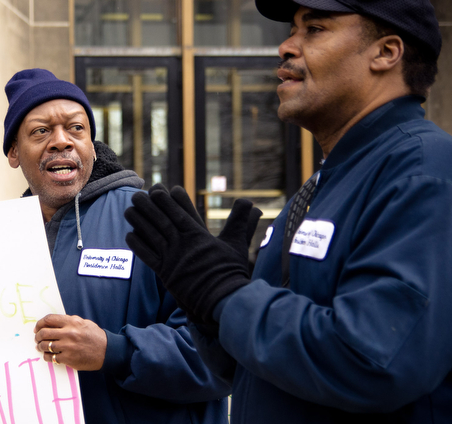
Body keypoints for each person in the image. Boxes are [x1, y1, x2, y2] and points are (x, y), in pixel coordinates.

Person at [124, 0, 452, 423]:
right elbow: (251, 368)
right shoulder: (327, 180)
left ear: (386, 52)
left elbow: (375, 361)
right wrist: (208, 310)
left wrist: (227, 295)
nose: (285, 46)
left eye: (314, 29)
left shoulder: (424, 171)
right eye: (293, 29)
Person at [0, 68, 231, 423]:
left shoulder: (155, 218)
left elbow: (217, 353)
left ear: (91, 145)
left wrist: (112, 350)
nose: (61, 140)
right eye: (41, 131)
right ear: (13, 152)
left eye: (76, 128)